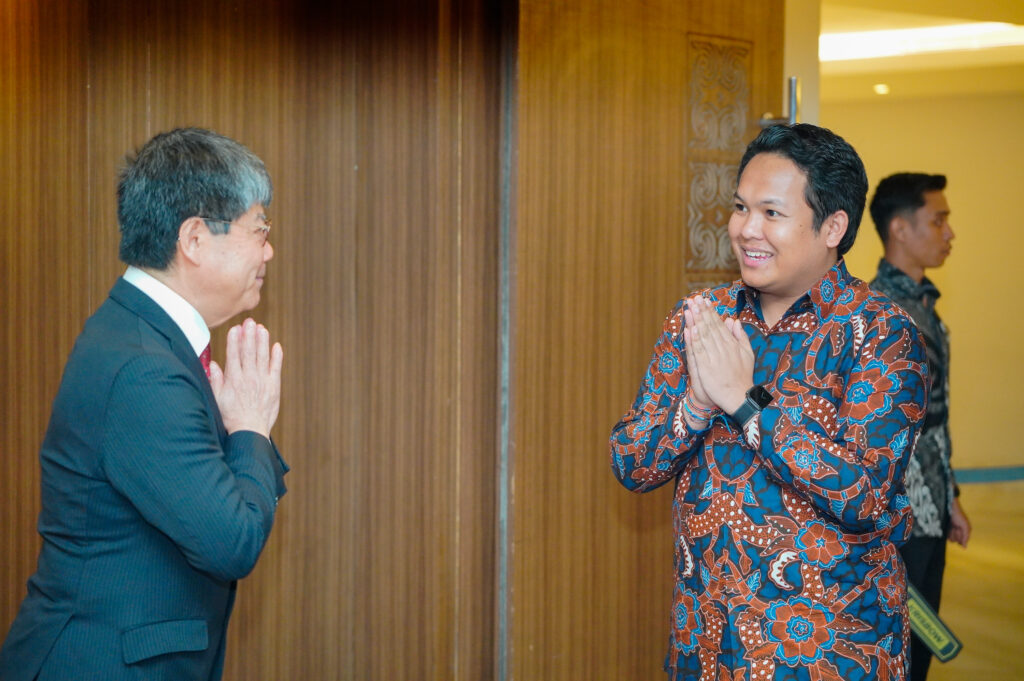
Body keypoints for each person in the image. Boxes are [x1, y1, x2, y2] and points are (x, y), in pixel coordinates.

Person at [610, 124, 928, 680]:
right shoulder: (702, 319)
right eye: (740, 207)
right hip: (707, 642)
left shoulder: (881, 333)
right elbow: (632, 463)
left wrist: (744, 403)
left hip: (831, 651)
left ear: (833, 227)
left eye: (771, 213)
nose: (745, 229)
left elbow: (864, 495)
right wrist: (696, 406)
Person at [0, 127, 288, 681]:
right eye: (260, 228)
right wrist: (250, 428)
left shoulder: (144, 337)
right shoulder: (143, 366)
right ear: (195, 239)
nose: (268, 250)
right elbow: (231, 543)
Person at [869, 172, 970, 681]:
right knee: (896, 655)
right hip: (896, 520)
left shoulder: (922, 305)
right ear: (900, 229)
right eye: (938, 220)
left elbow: (935, 419)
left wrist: (950, 497)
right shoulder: (881, 314)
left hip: (929, 509)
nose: (949, 233)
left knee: (919, 652)